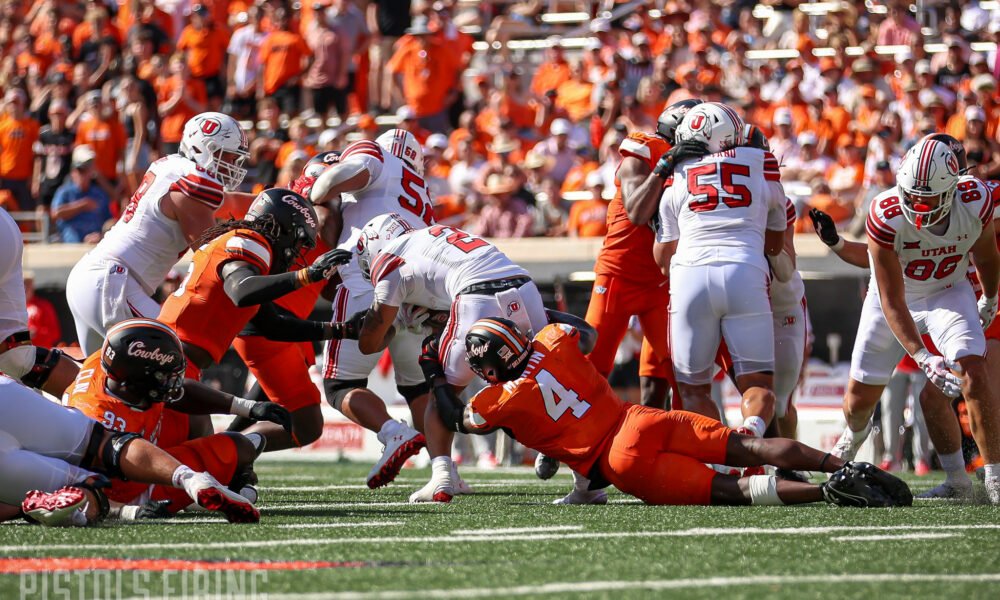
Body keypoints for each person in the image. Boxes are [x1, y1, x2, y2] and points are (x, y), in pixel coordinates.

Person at [422, 316, 912, 508]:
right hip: (640, 419)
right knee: (749, 446)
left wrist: (435, 376)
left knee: (734, 490)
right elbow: (586, 334)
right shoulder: (552, 340)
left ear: (489, 367)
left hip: (617, 461)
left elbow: (454, 416)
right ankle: (844, 466)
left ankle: (827, 492)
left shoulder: (496, 401)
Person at [828, 136, 1000, 504]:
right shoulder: (885, 212)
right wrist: (922, 356)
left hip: (948, 291)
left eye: (929, 198)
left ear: (951, 190)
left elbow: (986, 255)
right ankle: (854, 434)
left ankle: (991, 478)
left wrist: (990, 296)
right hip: (894, 298)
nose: (917, 205)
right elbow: (891, 299)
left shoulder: (975, 200)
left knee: (974, 371)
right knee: (858, 402)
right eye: (911, 195)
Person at [347, 214, 550, 503]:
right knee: (548, 379)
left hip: (477, 295)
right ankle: (584, 481)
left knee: (441, 392)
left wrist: (397, 323)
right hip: (524, 285)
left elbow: (369, 343)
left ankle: (442, 477)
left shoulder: (389, 258)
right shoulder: (433, 236)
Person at [654, 103, 791, 446]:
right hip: (745, 271)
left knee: (692, 389)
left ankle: (722, 454)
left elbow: (662, 257)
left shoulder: (677, 173)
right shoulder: (761, 161)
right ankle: (752, 431)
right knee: (759, 386)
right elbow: (775, 243)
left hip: (689, 276)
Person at [62, 319, 289, 523]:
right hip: (125, 491)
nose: (172, 382)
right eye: (163, 376)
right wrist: (125, 511)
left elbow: (183, 393)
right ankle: (202, 487)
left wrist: (248, 407)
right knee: (241, 447)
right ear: (137, 379)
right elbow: (72, 486)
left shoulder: (114, 369)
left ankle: (211, 482)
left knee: (228, 436)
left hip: (143, 446)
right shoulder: (96, 421)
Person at [308, 130, 435, 491]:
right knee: (419, 387)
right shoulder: (421, 192)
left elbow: (324, 187)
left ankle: (392, 432)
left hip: (367, 278)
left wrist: (317, 187)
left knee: (339, 385)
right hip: (418, 289)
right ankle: (444, 470)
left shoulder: (377, 155)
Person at [66, 112, 249, 354]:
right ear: (204, 148)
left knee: (103, 376)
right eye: (227, 155)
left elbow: (232, 203)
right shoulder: (192, 183)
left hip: (93, 277)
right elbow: (212, 254)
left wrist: (282, 196)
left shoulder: (172, 168)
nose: (233, 164)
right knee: (176, 357)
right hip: (114, 282)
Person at [2, 374, 259, 526]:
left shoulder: (98, 374)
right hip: (9, 396)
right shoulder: (97, 390)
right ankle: (190, 478)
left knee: (76, 486)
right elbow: (40, 362)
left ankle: (47, 507)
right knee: (102, 447)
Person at [157, 188, 350, 385]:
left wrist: (343, 330)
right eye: (298, 242)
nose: (295, 253)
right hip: (167, 356)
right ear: (284, 228)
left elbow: (274, 326)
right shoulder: (252, 241)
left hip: (172, 355)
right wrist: (308, 275)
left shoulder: (246, 247)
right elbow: (241, 290)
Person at [584, 99, 703, 413]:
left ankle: (687, 438)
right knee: (591, 369)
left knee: (682, 372)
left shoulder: (701, 162)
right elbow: (637, 212)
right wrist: (665, 165)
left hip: (661, 280)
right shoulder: (645, 148)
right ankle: (569, 435)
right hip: (619, 275)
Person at [0, 208, 78, 397]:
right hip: (6, 224)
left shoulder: (42, 306)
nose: (25, 286)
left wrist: (38, 334)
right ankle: (92, 398)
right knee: (17, 357)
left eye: (28, 283)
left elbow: (53, 333)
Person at [50, 146, 112, 243]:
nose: (84, 174)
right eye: (80, 170)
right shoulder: (65, 192)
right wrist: (82, 205)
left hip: (95, 244)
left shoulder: (99, 194)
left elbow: (109, 220)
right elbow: (55, 214)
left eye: (88, 169)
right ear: (73, 172)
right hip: (72, 244)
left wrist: (102, 235)